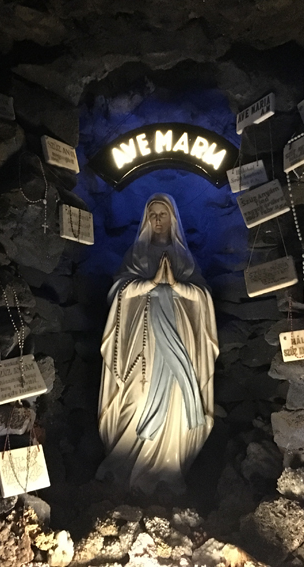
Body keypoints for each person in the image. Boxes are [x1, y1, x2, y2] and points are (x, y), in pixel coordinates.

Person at [97, 193, 218, 494]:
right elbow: (118, 292)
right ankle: (127, 460)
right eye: (153, 214)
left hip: (178, 335)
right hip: (143, 337)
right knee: (137, 397)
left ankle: (167, 465)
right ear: (146, 220)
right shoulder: (136, 255)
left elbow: (202, 296)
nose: (157, 220)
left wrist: (176, 286)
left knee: (177, 399)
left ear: (172, 219)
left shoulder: (184, 258)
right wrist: (149, 284)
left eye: (163, 214)